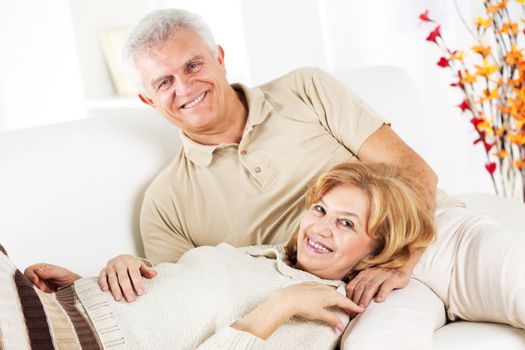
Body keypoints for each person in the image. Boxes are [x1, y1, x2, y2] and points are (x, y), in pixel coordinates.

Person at [24, 8, 525, 349]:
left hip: (435, 240)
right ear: (148, 101)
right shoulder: (166, 201)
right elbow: (190, 303)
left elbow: (415, 172)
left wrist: (403, 261)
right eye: (164, 82)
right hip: (350, 303)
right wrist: (104, 273)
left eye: (194, 64)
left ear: (219, 59)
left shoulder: (304, 89)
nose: (185, 87)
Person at [11, 162, 437, 349]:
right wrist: (91, 282)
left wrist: (281, 306)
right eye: (320, 210)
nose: (322, 227)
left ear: (374, 253)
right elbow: (171, 301)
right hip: (52, 309)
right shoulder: (267, 256)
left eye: (347, 224)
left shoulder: (319, 314)